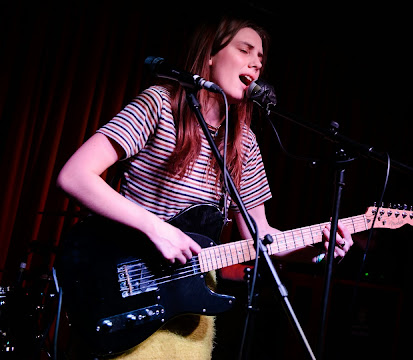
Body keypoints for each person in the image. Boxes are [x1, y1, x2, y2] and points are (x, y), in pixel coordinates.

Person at [56, 14, 353, 360]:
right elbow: (75, 175)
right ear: (210, 54)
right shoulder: (159, 104)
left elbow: (261, 235)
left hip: (190, 313)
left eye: (261, 60)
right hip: (128, 292)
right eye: (245, 50)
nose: (256, 64)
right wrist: (157, 229)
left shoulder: (244, 142)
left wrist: (314, 244)